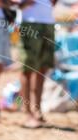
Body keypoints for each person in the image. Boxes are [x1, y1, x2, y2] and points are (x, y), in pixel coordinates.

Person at [16, 0, 56, 128]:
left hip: (48, 22)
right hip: (30, 22)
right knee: (27, 69)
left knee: (42, 69)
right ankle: (27, 112)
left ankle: (37, 110)